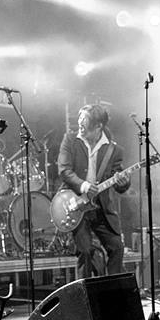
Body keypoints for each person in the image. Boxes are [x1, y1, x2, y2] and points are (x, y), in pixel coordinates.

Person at [57, 104, 130, 280]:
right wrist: (83, 185)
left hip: (100, 208)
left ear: (98, 126)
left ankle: (113, 289)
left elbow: (118, 182)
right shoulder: (70, 140)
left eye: (85, 121)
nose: (80, 124)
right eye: (80, 119)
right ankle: (85, 293)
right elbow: (64, 170)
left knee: (117, 247)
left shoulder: (114, 150)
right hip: (75, 204)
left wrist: (123, 183)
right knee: (85, 251)